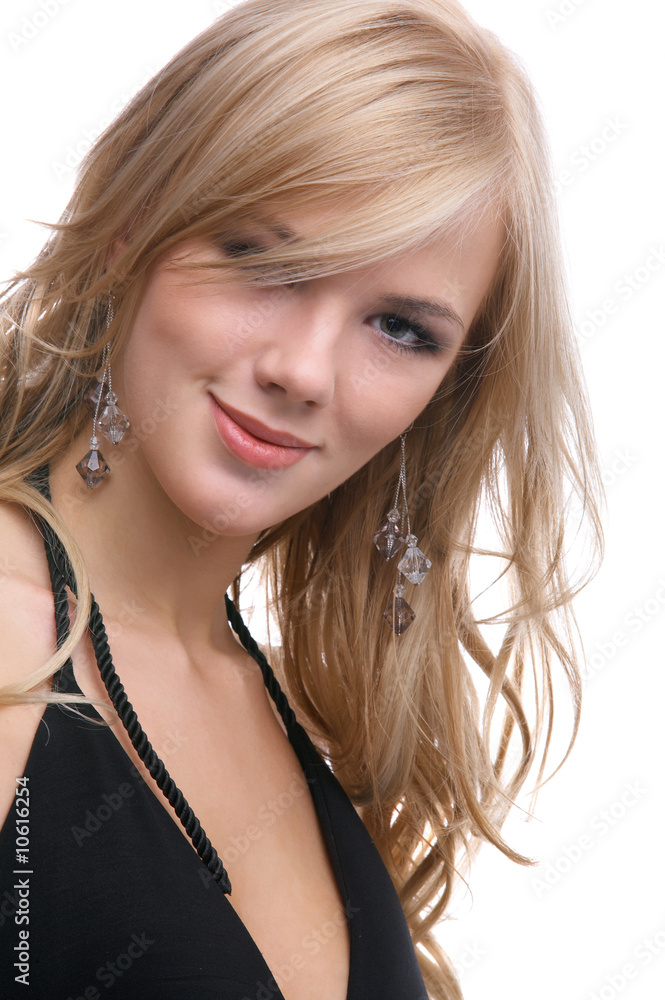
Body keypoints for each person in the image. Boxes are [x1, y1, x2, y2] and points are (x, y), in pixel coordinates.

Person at [0, 0, 603, 997]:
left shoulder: (286, 709)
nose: (304, 371)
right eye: (264, 261)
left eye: (400, 328)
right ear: (129, 230)